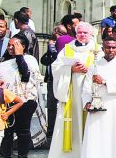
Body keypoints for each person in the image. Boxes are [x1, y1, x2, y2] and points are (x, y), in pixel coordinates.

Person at [48, 22, 97, 158]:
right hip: (71, 92)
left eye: (85, 33)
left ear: (90, 34)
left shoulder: (97, 49)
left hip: (91, 92)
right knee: (72, 120)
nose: (82, 35)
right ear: (75, 34)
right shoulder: (67, 49)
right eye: (79, 32)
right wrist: (70, 69)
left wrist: (90, 70)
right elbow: (56, 68)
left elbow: (103, 68)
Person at [80, 39, 116, 158]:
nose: (111, 50)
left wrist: (104, 82)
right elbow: (87, 87)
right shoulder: (94, 65)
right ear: (103, 49)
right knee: (96, 138)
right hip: (97, 106)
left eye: (114, 47)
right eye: (108, 47)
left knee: (115, 137)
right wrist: (87, 102)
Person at [0, 34, 41, 158]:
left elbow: (25, 76)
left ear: (23, 46)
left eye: (14, 45)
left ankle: (22, 155)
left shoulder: (29, 59)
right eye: (9, 45)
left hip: (25, 100)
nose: (10, 48)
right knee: (6, 131)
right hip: (5, 100)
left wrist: (19, 55)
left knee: (23, 131)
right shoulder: (0, 61)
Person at [42, 25, 68, 138]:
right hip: (51, 78)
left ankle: (57, 129)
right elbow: (44, 60)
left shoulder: (64, 46)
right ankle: (51, 129)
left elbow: (55, 58)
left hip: (60, 78)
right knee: (51, 106)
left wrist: (52, 48)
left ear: (57, 33)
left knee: (57, 105)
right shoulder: (53, 45)